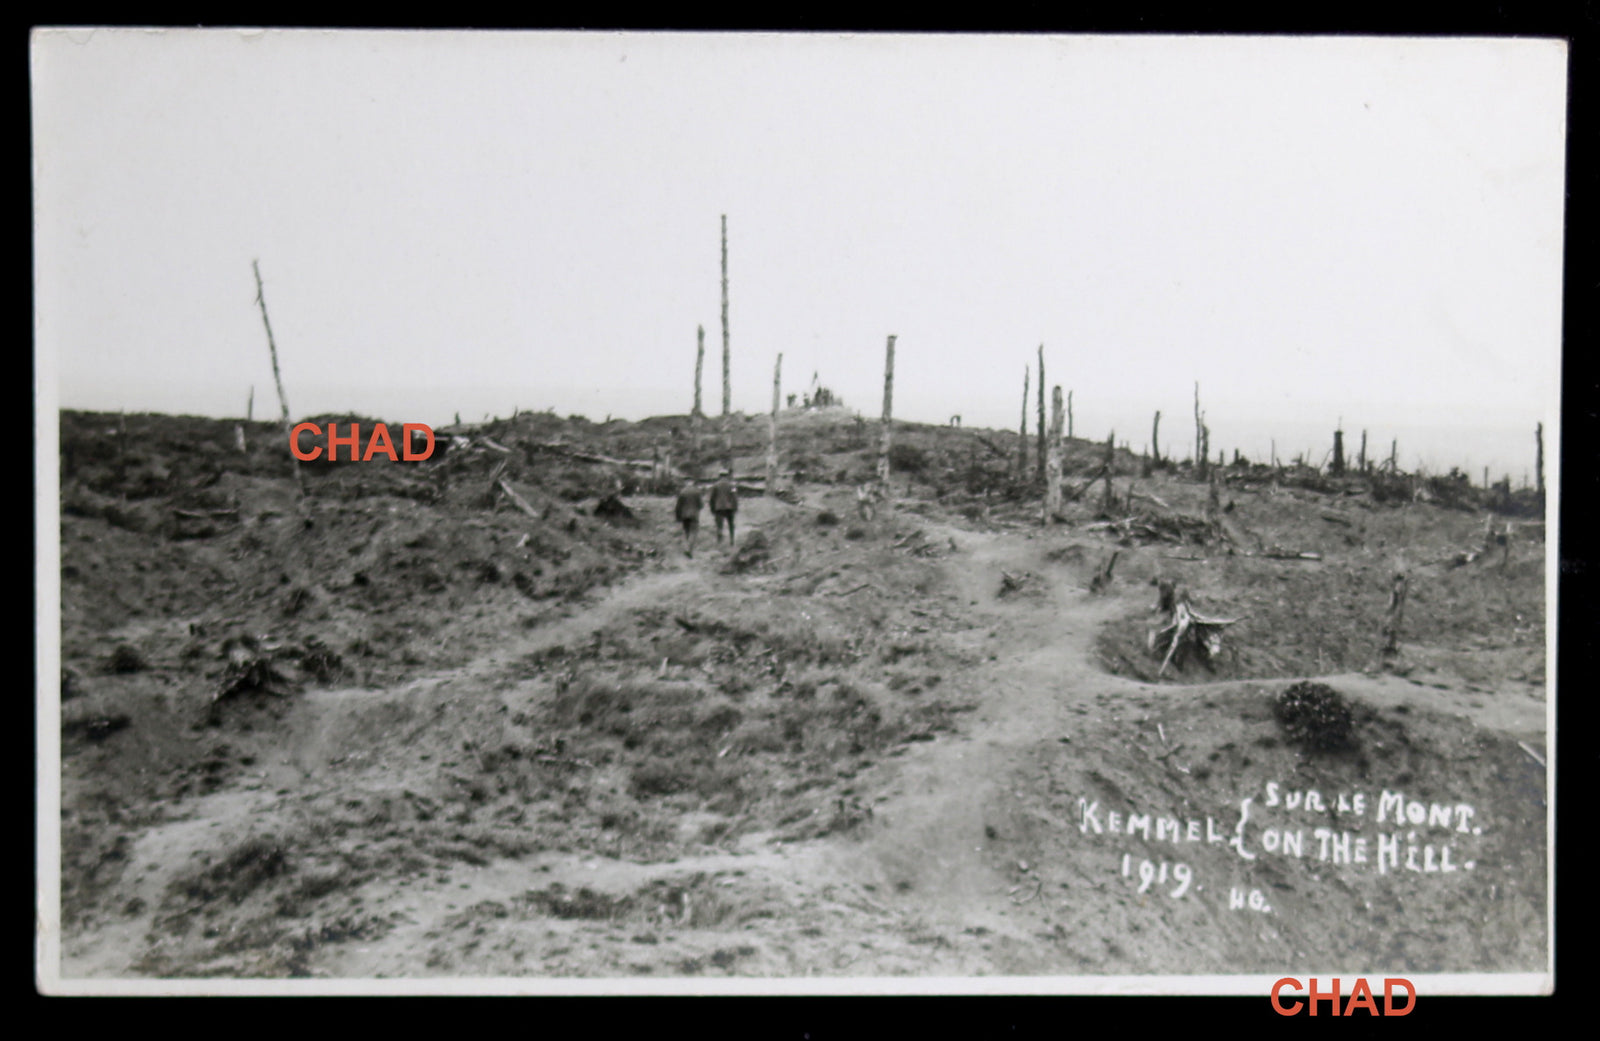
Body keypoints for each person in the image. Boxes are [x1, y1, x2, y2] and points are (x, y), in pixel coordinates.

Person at [674, 480, 703, 557]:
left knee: (686, 531)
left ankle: (686, 546)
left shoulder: (682, 492)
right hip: (694, 515)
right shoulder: (697, 492)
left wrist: (677, 516)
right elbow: (701, 505)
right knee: (693, 532)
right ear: (693, 484)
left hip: (684, 515)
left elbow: (678, 506)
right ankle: (689, 549)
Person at [710, 470, 738, 545]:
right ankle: (732, 540)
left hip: (719, 508)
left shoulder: (715, 485)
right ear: (727, 475)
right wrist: (735, 507)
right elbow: (734, 497)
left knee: (719, 525)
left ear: (719, 476)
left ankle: (719, 542)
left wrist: (712, 508)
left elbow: (712, 498)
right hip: (729, 508)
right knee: (731, 525)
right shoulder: (732, 485)